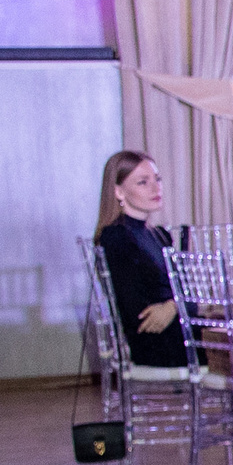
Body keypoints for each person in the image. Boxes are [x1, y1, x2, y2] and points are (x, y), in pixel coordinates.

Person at [93, 152, 184, 366]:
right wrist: (178, 305)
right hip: (155, 342)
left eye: (157, 179)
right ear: (118, 192)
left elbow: (183, 291)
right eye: (143, 182)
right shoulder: (116, 236)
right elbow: (137, 310)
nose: (156, 188)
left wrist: (173, 306)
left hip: (178, 327)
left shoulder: (160, 234)